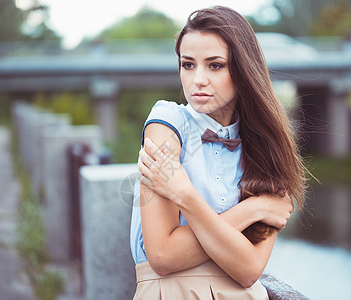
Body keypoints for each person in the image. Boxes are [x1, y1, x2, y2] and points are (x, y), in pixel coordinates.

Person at [130, 5, 306, 299]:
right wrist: (252, 210)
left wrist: (184, 195)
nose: (198, 79)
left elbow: (249, 269)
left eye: (215, 65)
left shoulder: (267, 151)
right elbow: (161, 255)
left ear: (243, 69)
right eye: (188, 64)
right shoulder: (167, 122)